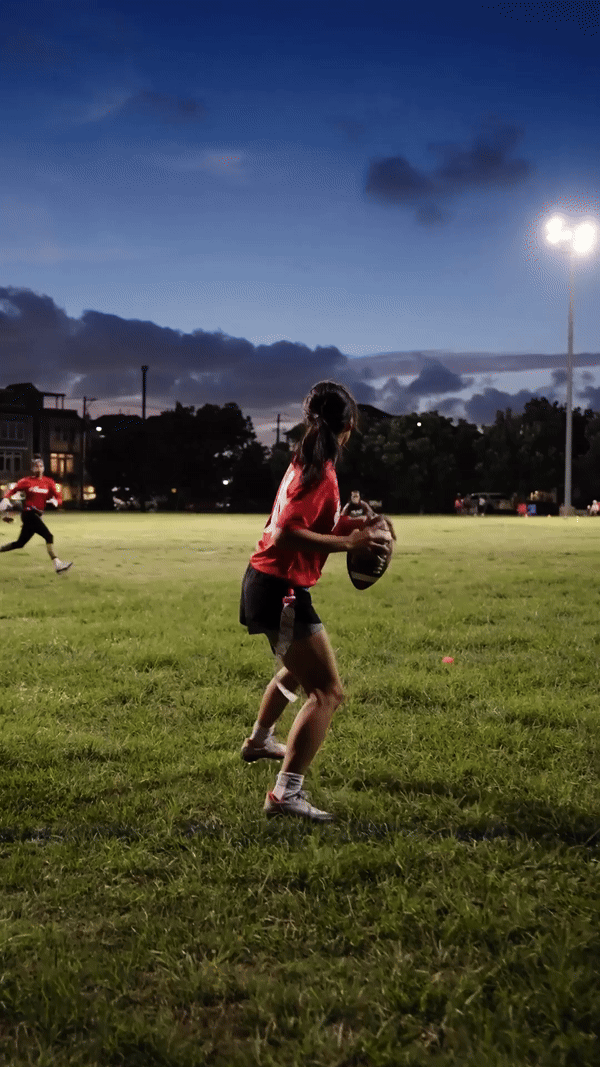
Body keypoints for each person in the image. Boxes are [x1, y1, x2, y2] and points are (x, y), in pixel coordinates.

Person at [239, 381, 392, 822]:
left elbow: (301, 522)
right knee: (327, 692)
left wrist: (349, 524)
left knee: (297, 669)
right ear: (349, 427)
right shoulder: (320, 470)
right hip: (279, 589)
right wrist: (352, 544)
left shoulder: (306, 459)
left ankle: (260, 741)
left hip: (269, 584)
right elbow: (288, 530)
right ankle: (286, 793)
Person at [0, 456, 73, 574]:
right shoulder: (26, 481)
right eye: (36, 466)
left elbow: (58, 497)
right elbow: (13, 490)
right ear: (32, 468)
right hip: (29, 513)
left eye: (40, 465)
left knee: (20, 544)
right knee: (49, 536)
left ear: (44, 467)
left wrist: (56, 502)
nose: (38, 468)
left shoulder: (48, 482)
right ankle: (58, 564)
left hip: (37, 515)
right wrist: (5, 498)